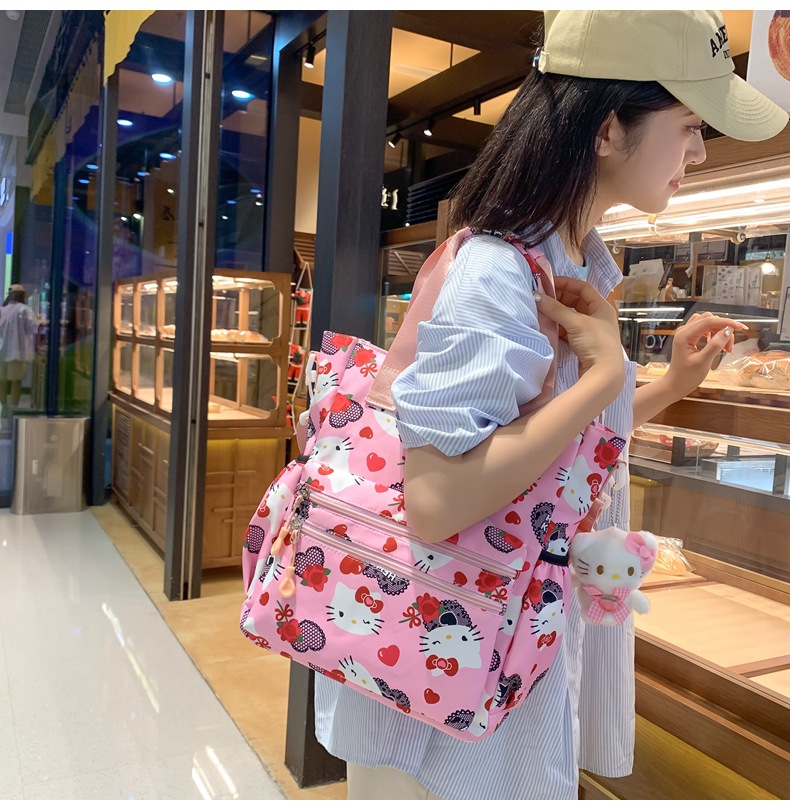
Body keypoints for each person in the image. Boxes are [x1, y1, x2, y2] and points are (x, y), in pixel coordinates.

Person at [314, 10, 788, 801]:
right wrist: (604, 379)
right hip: (445, 676)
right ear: (608, 128)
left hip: (487, 648)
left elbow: (552, 447)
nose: (701, 151)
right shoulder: (500, 273)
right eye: (689, 124)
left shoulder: (562, 265)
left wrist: (664, 383)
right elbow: (436, 499)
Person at [0, 283, 36, 419]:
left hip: (2, 352)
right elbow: (32, 328)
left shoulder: (2, 310)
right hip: (19, 352)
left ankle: (4, 408)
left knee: (2, 381)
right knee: (16, 382)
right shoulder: (25, 310)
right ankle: (14, 408)